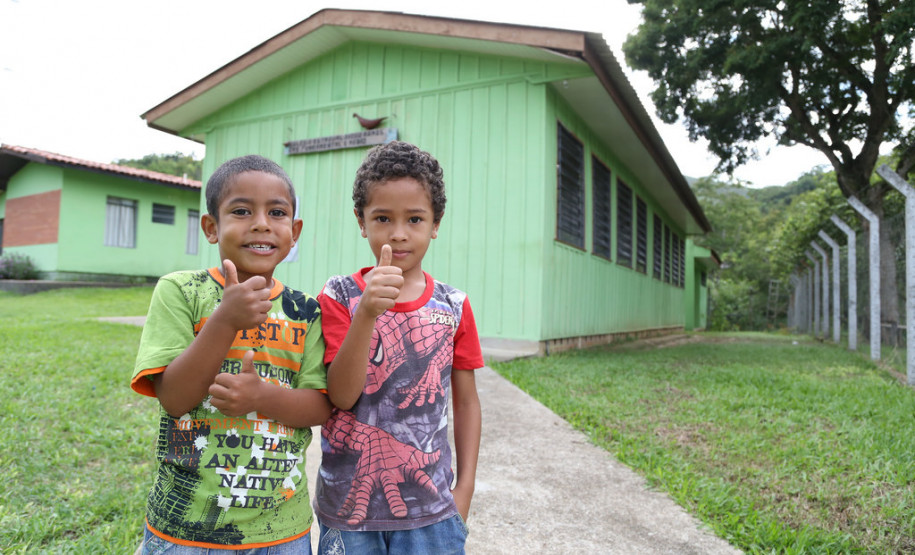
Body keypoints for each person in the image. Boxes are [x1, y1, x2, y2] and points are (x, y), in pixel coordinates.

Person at [130, 154, 331, 553]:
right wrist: (225, 320)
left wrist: (262, 398)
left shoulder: (307, 310)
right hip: (185, 529)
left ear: (294, 231)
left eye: (277, 213)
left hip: (280, 531)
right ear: (211, 227)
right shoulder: (181, 292)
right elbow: (174, 398)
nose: (261, 223)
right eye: (241, 210)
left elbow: (321, 407)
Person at [314, 141, 483, 554]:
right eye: (383, 218)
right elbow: (341, 395)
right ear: (361, 221)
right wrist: (367, 313)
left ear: (436, 223)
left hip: (434, 513)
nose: (399, 233)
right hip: (349, 513)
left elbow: (466, 403)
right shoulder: (339, 296)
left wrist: (464, 490)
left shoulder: (454, 306)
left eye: (415, 219)